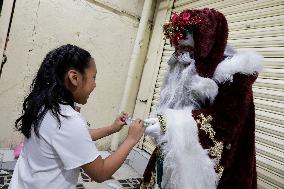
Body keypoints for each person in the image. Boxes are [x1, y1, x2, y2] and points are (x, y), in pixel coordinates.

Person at [140, 8, 263, 189]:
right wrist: (164, 125)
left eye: (186, 49)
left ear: (205, 42)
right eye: (178, 48)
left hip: (217, 167)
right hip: (176, 154)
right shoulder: (184, 66)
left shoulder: (233, 75)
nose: (179, 55)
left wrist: (171, 124)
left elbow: (226, 122)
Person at [9, 44, 145, 189]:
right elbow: (101, 172)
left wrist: (112, 129)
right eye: (93, 77)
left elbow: (74, 138)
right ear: (74, 78)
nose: (94, 84)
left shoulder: (44, 105)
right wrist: (131, 139)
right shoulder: (66, 119)